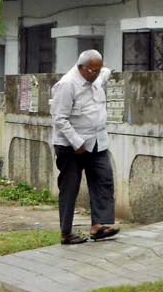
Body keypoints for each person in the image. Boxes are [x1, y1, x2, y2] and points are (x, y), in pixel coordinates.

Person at [50, 50, 119, 245]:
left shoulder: (98, 77)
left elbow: (105, 72)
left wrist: (107, 71)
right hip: (71, 146)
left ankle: (100, 225)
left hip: (97, 142)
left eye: (98, 69)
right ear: (81, 67)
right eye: (92, 70)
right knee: (70, 188)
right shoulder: (67, 84)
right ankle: (66, 232)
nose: (95, 73)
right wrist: (76, 142)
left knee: (104, 180)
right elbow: (59, 119)